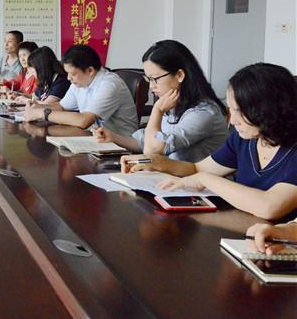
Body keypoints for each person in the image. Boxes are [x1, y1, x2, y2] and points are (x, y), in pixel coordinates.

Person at [123, 63, 297, 220]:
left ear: (269, 109)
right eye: (231, 110)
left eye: (240, 111)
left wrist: (205, 179)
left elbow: (269, 207)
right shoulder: (244, 138)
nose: (233, 120)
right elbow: (198, 169)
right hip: (244, 228)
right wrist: (157, 162)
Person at [94, 40, 227, 162]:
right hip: (170, 177)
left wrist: (157, 110)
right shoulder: (173, 103)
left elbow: (151, 150)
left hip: (194, 180)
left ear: (179, 75)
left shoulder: (203, 113)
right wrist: (112, 137)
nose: (151, 86)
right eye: (148, 79)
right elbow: (145, 141)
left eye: (155, 79)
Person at [24, 44, 138, 136]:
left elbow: (84, 121)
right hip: (95, 137)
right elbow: (62, 107)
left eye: (72, 73)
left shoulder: (109, 84)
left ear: (90, 71)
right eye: (67, 73)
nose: (68, 78)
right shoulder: (79, 82)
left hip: (120, 145)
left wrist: (42, 114)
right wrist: (37, 107)